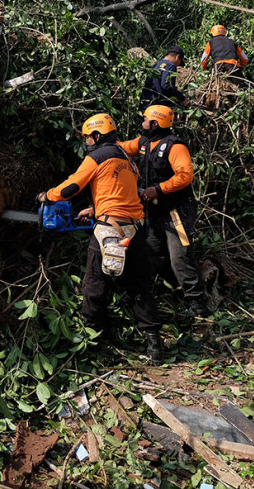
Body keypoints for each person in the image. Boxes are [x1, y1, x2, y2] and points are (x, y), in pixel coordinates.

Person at [37, 113, 164, 361]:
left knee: (94, 284)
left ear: (97, 135)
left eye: (89, 137)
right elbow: (121, 195)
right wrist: (96, 209)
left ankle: (91, 340)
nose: (87, 142)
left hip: (109, 231)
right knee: (140, 286)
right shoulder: (126, 159)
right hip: (134, 230)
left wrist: (47, 196)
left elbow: (71, 187)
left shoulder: (97, 157)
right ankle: (154, 344)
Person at [120, 105, 209, 317]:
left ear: (155, 123)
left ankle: (197, 306)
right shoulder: (144, 143)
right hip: (154, 214)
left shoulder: (175, 146)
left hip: (177, 213)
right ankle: (157, 296)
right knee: (152, 254)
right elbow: (122, 147)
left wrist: (157, 190)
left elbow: (185, 176)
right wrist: (101, 143)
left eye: (145, 120)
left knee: (181, 257)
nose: (142, 123)